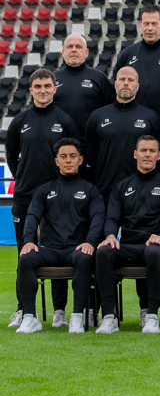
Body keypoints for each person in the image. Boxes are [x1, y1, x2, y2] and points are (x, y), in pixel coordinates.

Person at [5, 68, 77, 328]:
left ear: (54, 89)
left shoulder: (65, 121)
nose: (43, 90)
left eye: (47, 86)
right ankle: (24, 309)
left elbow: (71, 156)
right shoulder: (19, 122)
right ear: (31, 90)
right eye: (38, 86)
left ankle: (59, 311)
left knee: (58, 251)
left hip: (58, 197)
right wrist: (25, 178)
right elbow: (12, 157)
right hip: (25, 197)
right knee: (23, 251)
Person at [14, 138, 104, 334]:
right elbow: (32, 216)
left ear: (80, 160)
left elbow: (98, 219)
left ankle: (77, 316)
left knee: (85, 257)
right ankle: (30, 317)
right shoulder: (44, 190)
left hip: (76, 249)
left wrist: (90, 242)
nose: (68, 160)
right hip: (50, 249)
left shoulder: (91, 190)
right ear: (56, 161)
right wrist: (28, 241)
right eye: (63, 156)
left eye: (72, 156)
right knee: (26, 257)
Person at [95, 134, 160, 334]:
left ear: (159, 155)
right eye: (143, 150)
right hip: (128, 245)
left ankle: (151, 316)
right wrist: (110, 236)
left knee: (152, 252)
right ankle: (109, 317)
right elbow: (112, 218)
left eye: (152, 151)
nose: (147, 154)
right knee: (103, 252)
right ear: (135, 154)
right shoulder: (121, 186)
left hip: (158, 246)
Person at [84, 66, 160, 198]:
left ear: (137, 86)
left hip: (141, 192)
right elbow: (91, 153)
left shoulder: (150, 117)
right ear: (115, 84)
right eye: (122, 79)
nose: (126, 83)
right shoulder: (97, 116)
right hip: (106, 190)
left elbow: (158, 156)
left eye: (130, 80)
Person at [52, 33, 114, 134]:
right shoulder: (52, 79)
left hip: (90, 140)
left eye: (78, 46)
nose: (74, 50)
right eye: (69, 46)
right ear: (63, 52)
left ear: (86, 52)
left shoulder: (99, 78)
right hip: (58, 141)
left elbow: (110, 110)